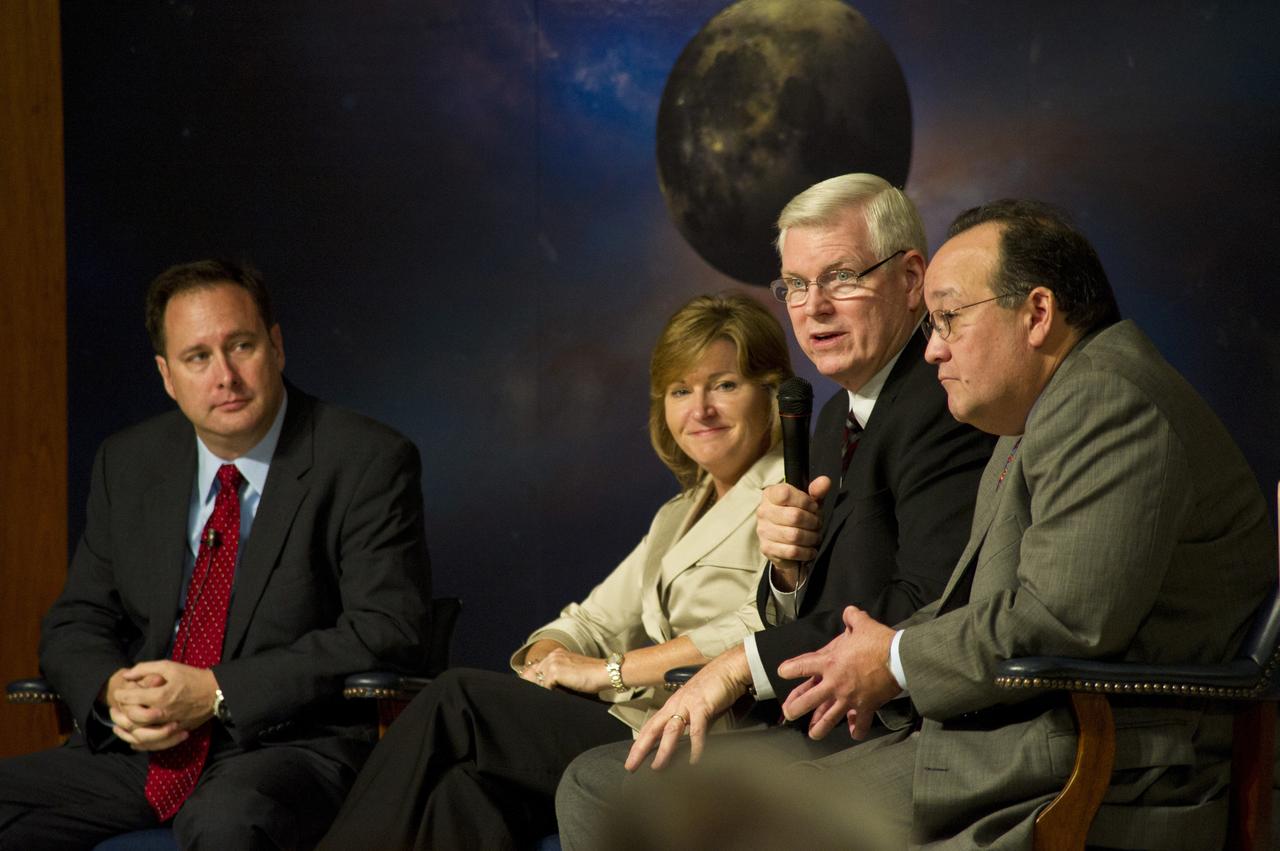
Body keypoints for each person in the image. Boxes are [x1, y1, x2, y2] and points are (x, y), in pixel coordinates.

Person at [765, 200, 1276, 849]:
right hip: (1017, 739)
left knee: (748, 823)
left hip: (1100, 764)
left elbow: (1062, 617)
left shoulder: (1108, 399)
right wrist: (870, 660)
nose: (933, 349)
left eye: (948, 317)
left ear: (1037, 313)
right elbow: (991, 608)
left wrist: (894, 659)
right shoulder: (1038, 415)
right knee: (737, 806)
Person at [555, 174, 996, 847]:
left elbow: (925, 602)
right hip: (815, 719)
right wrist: (789, 570)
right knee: (595, 778)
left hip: (898, 728)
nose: (813, 307)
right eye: (794, 284)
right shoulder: (830, 423)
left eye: (841, 276)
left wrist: (733, 665)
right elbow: (833, 596)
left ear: (912, 280)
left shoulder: (942, 403)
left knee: (607, 785)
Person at [318, 292, 794, 850]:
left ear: (774, 392)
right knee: (464, 791)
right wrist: (550, 659)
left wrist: (608, 672)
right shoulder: (677, 514)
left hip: (717, 738)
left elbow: (764, 624)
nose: (700, 409)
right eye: (681, 390)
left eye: (725, 385)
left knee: (457, 700)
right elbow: (588, 621)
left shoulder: (790, 492)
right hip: (643, 722)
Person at [0, 260, 432, 849]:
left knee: (226, 821)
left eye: (241, 346)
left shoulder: (364, 460)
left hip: (286, 748)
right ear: (167, 376)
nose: (224, 376)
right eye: (197, 358)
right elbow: (76, 620)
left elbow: (387, 629)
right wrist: (112, 691)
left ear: (276, 347)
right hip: (144, 751)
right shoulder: (128, 463)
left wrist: (219, 690)